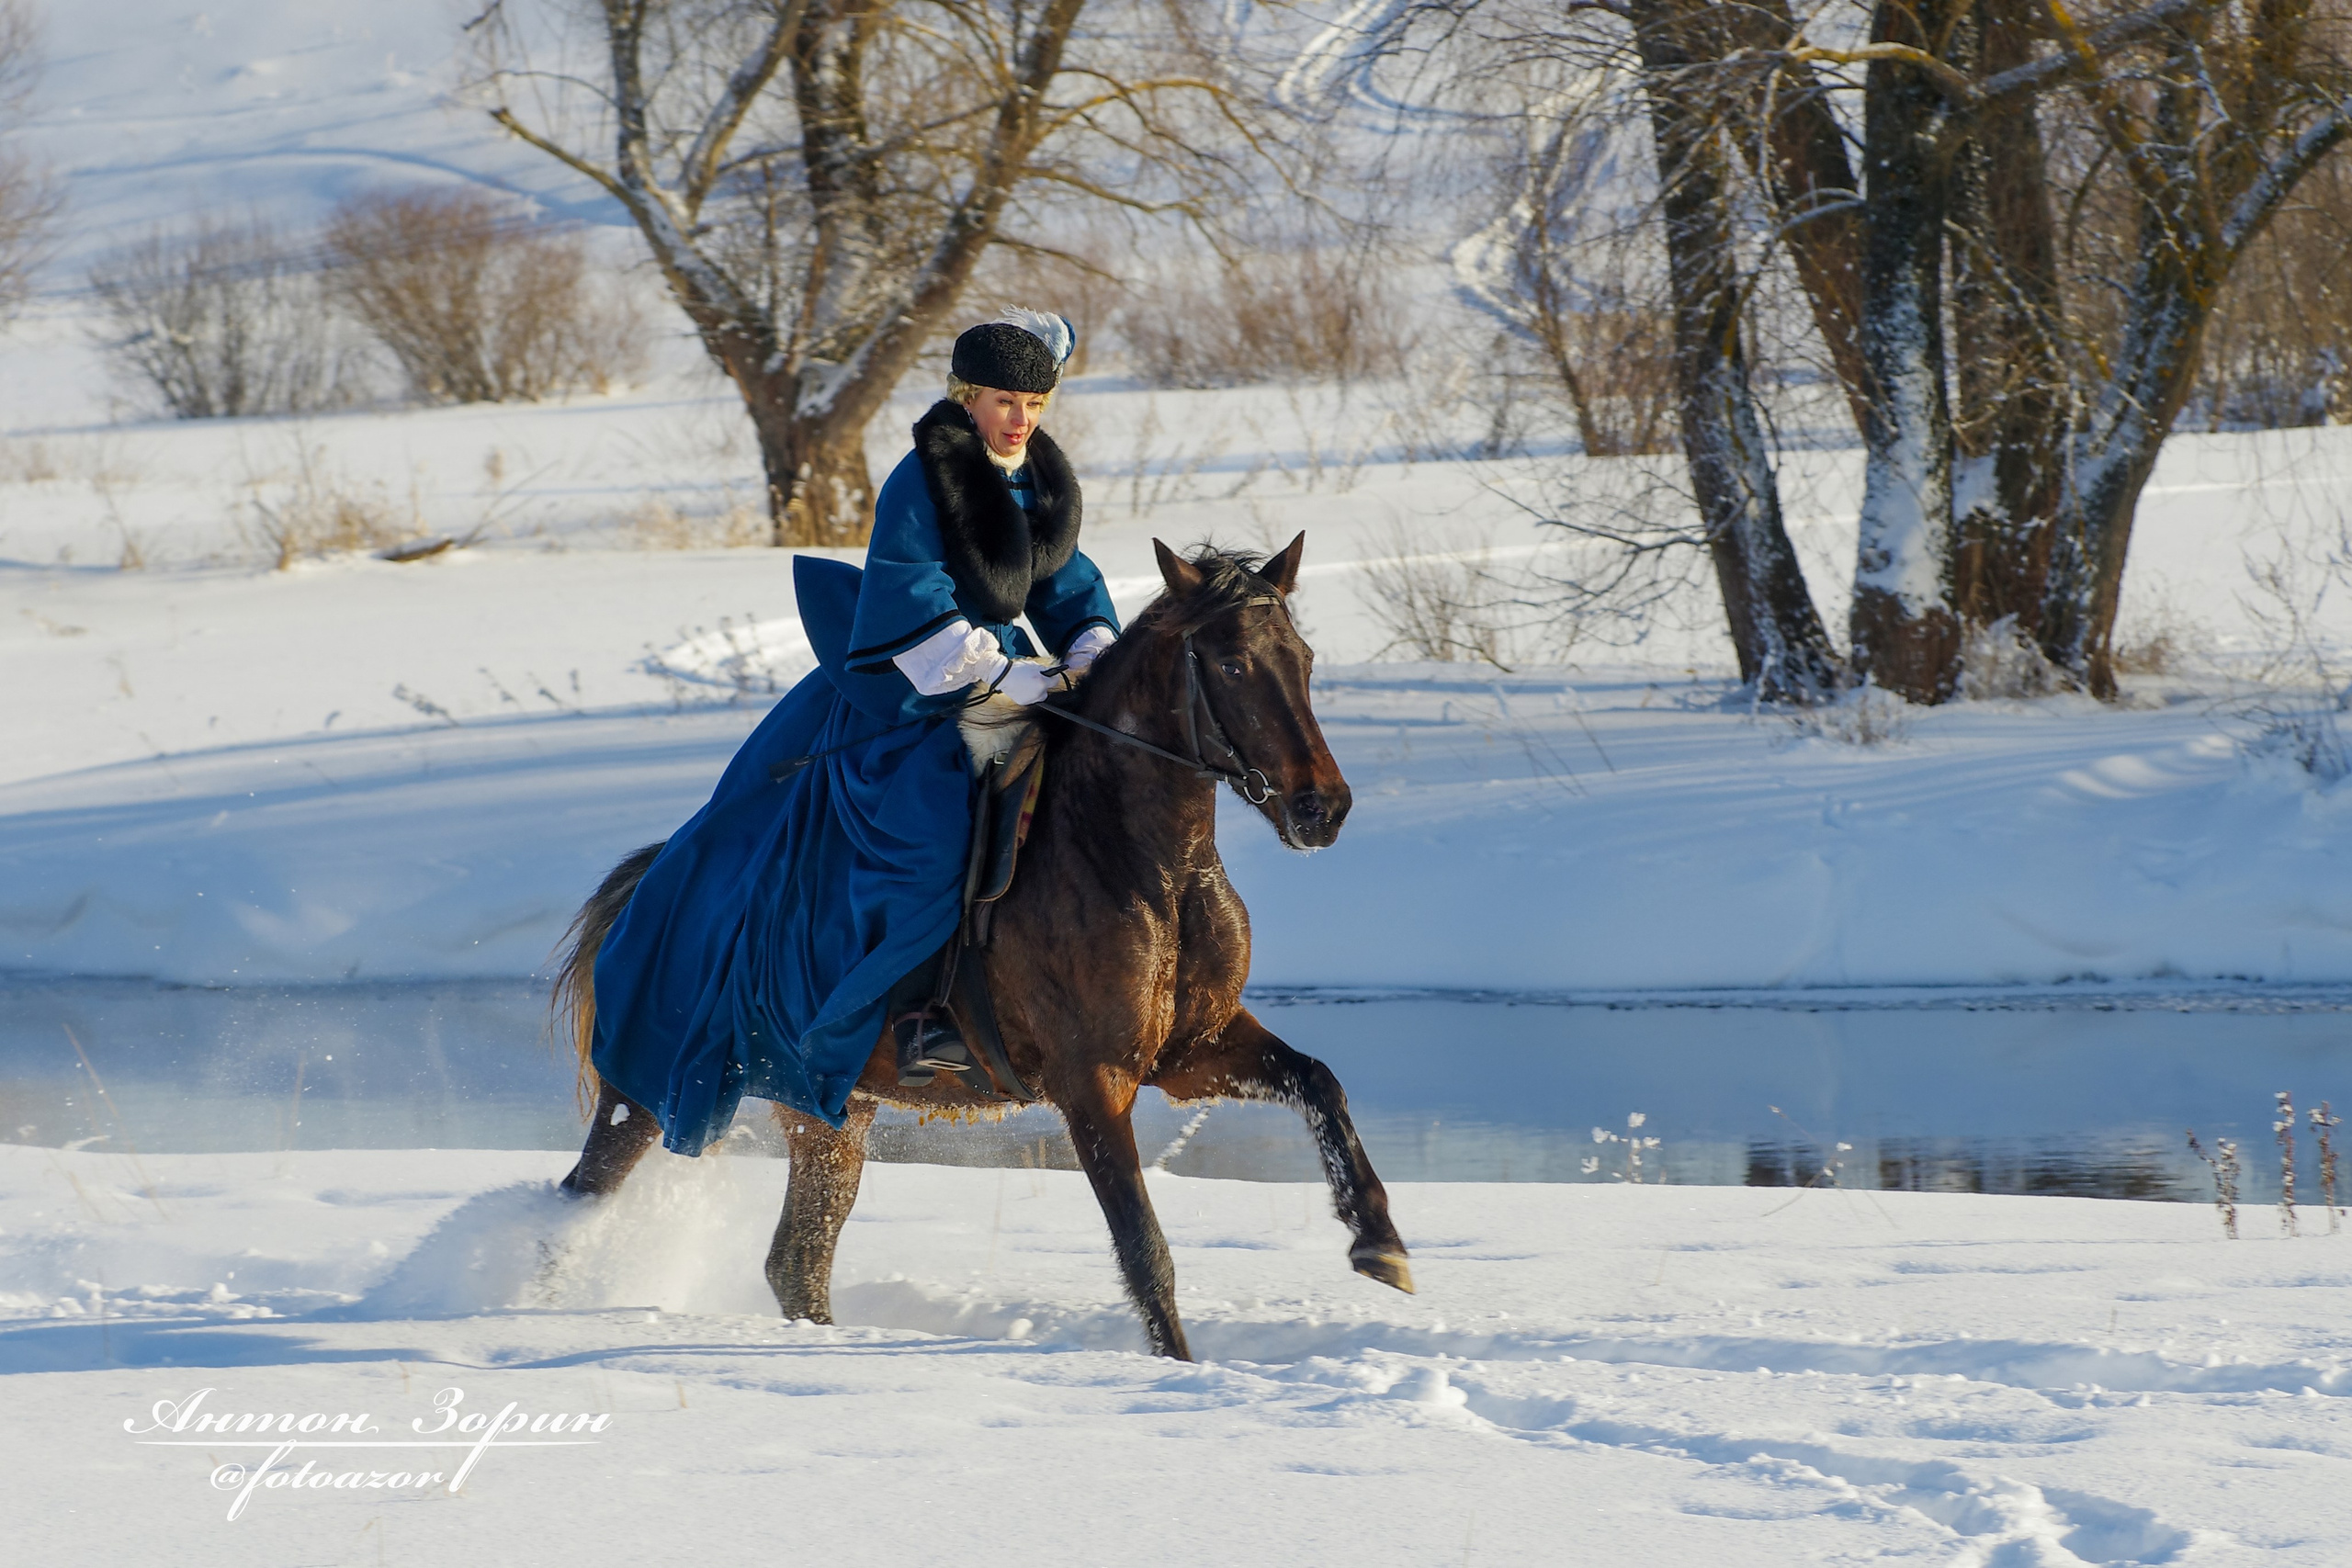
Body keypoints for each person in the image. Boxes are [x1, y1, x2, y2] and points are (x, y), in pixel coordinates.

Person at [585, 309, 1116, 1155]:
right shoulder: (923, 478)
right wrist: (1011, 676)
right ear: (967, 395)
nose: (1021, 418)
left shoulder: (1036, 475)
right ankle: (917, 1017)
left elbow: (1066, 582)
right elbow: (911, 600)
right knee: (928, 843)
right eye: (1005, 401)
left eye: (1035, 403)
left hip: (1012, 675)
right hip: (915, 689)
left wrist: (1092, 647)